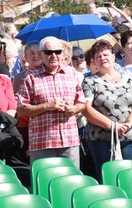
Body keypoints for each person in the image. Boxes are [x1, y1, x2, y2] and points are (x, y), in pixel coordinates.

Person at [17, 36, 86, 166]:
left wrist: (74, 109)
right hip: (43, 141)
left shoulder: (71, 72)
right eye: (49, 52)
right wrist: (47, 106)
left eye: (57, 52)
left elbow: (81, 103)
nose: (54, 56)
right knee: (44, 181)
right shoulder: (30, 76)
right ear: (41, 54)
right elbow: (21, 110)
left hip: (69, 139)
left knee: (71, 180)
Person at [82, 40, 132, 176]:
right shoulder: (89, 82)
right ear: (94, 61)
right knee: (107, 176)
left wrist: (128, 124)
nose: (103, 58)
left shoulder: (129, 79)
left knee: (131, 176)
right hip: (102, 139)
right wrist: (113, 126)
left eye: (105, 55)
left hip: (131, 136)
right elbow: (86, 108)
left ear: (113, 56)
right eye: (98, 57)